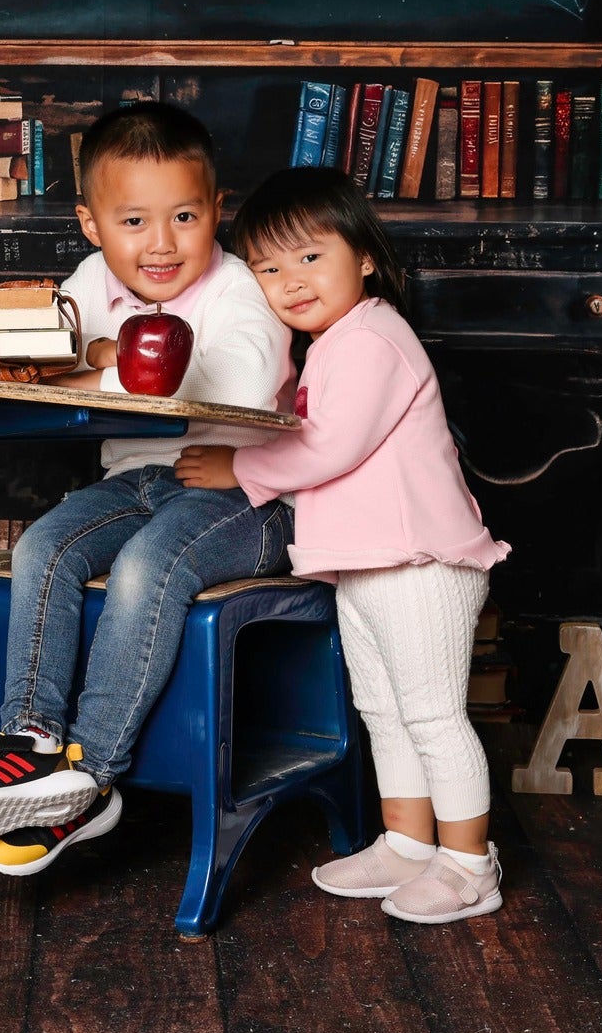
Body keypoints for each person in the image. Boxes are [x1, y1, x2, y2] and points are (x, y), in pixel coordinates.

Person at [0, 102, 294, 875]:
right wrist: (90, 358)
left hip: (249, 494)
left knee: (146, 565)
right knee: (43, 547)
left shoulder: (240, 290)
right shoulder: (92, 279)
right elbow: (34, 358)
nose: (161, 244)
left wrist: (98, 362)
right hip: (138, 481)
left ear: (217, 211)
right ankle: (29, 743)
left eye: (185, 216)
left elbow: (239, 389)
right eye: (133, 221)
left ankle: (90, 779)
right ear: (92, 225)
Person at [175, 166, 512, 924]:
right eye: (268, 268)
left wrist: (238, 467)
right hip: (369, 565)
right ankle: (409, 845)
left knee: (431, 716)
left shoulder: (372, 338)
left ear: (362, 256)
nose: (290, 281)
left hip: (420, 562)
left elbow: (332, 448)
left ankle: (469, 865)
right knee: (383, 712)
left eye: (309, 256)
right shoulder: (335, 343)